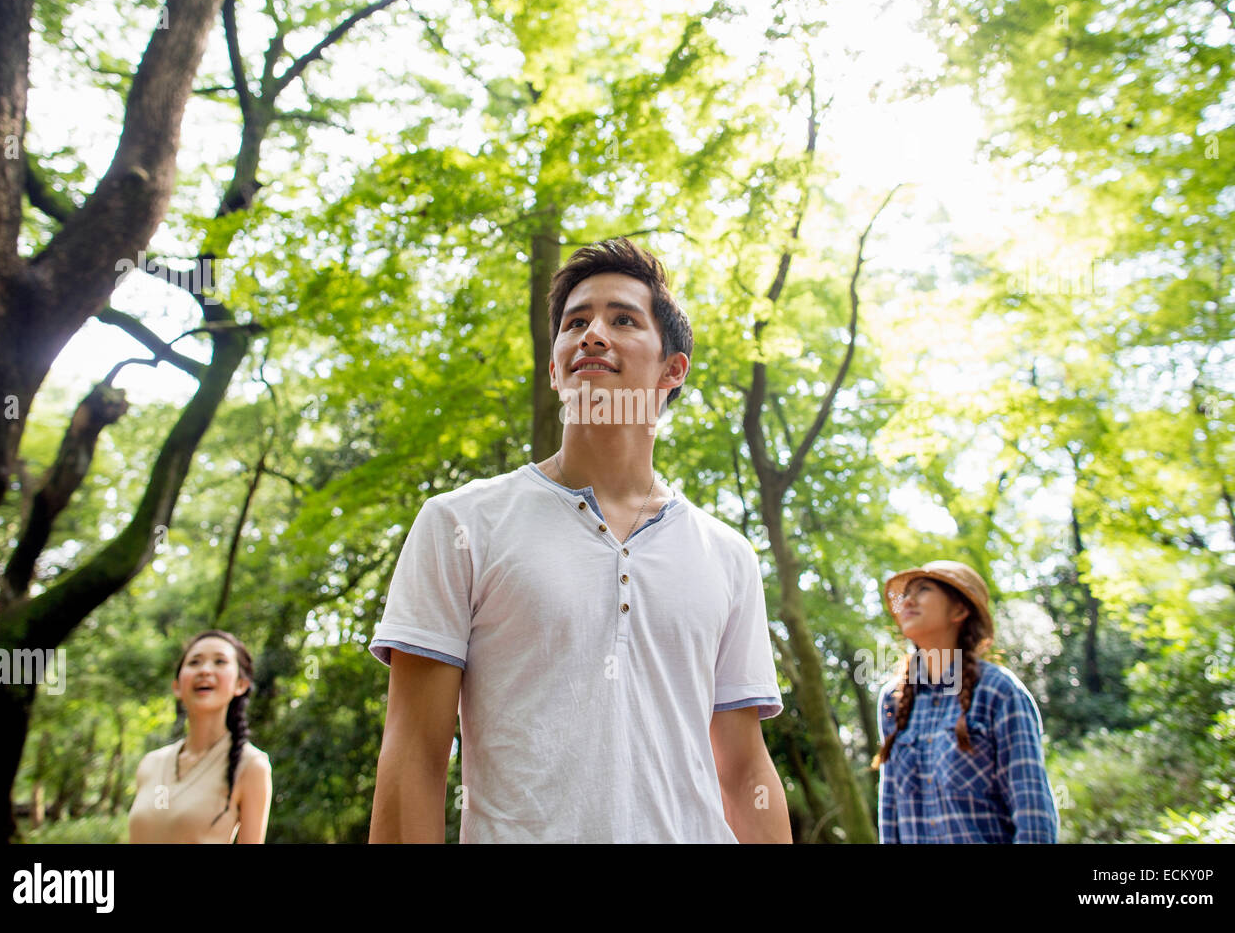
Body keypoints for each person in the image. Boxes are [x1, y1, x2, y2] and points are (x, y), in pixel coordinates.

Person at [368, 237, 790, 843]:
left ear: (673, 369)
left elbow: (745, 768)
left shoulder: (728, 555)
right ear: (555, 366)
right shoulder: (460, 523)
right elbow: (414, 751)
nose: (592, 334)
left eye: (622, 319)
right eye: (575, 323)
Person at [873, 560, 1057, 843]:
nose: (908, 600)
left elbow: (1033, 814)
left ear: (959, 610)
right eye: (905, 594)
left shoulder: (999, 691)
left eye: (923, 590)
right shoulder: (893, 700)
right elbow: (890, 811)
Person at [128, 629, 272, 843]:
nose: (205, 670)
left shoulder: (251, 766)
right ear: (176, 687)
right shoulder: (150, 764)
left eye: (220, 662)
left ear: (240, 684)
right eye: (194, 662)